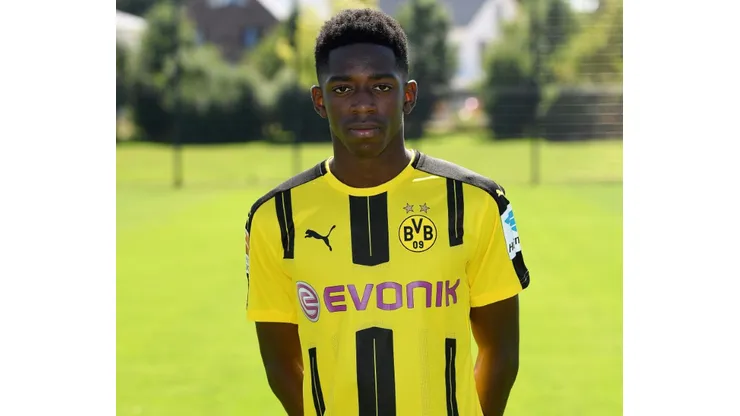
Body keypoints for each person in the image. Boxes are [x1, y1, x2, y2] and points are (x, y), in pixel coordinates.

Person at [244, 8, 530, 416]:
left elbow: (500, 351)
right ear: (320, 100)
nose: (362, 104)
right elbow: (281, 363)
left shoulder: (476, 202)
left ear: (407, 95)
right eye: (343, 88)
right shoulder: (276, 218)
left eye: (380, 86)